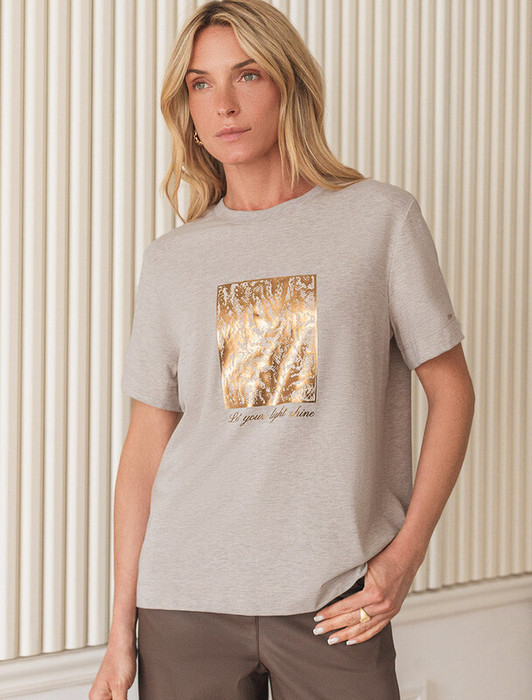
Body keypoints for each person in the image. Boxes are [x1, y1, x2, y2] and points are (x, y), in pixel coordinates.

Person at [89, 1, 475, 698]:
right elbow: (145, 446)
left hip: (335, 599)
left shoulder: (380, 220)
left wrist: (404, 558)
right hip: (186, 601)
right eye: (201, 84)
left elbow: (452, 393)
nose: (224, 104)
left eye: (248, 74)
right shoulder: (173, 260)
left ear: (288, 84)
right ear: (187, 108)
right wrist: (121, 633)